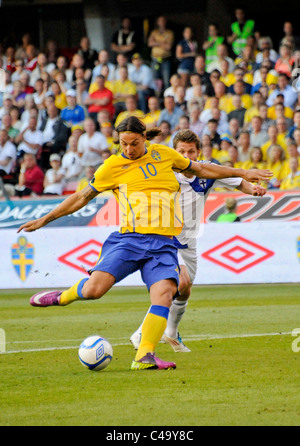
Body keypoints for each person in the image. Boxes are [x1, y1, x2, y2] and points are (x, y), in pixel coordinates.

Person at [17, 116, 272, 371]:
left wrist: (242, 172)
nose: (128, 150)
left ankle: (144, 355)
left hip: (163, 243)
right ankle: (63, 296)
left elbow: (202, 169)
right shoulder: (112, 166)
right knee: (95, 290)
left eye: (134, 144)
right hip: (130, 239)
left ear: (144, 139)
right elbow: (82, 197)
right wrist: (45, 219)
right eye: (123, 144)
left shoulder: (165, 155)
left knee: (164, 294)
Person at [130, 129, 267, 352]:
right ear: (174, 152)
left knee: (185, 289)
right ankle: (142, 332)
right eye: (181, 151)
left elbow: (236, 181)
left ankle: (172, 333)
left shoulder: (206, 171)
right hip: (164, 238)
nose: (186, 156)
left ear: (198, 152)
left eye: (191, 151)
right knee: (177, 283)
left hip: (189, 241)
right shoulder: (164, 171)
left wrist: (253, 189)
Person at [148, 16, 174, 90]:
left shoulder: (169, 33)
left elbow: (168, 47)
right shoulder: (154, 32)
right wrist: (162, 43)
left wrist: (156, 42)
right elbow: (150, 43)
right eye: (160, 21)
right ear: (157, 22)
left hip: (165, 60)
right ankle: (156, 96)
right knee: (155, 80)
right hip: (155, 59)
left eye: (163, 21)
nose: (162, 23)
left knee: (166, 80)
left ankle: (166, 96)